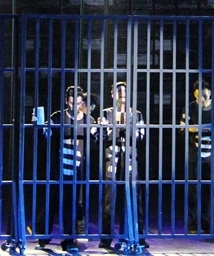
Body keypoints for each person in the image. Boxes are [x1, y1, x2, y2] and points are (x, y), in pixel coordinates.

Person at [35, 85, 97, 251]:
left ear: (82, 103)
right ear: (65, 101)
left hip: (77, 169)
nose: (74, 106)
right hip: (58, 169)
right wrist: (40, 125)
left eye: (77, 103)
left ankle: (69, 240)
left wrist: (102, 128)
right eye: (71, 103)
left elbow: (98, 137)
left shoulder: (88, 120)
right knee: (51, 203)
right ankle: (43, 237)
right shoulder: (57, 117)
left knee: (71, 205)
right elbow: (46, 134)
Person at [97, 81, 147, 251]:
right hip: (112, 160)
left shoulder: (137, 114)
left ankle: (138, 236)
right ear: (112, 95)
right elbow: (100, 136)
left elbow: (141, 136)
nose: (122, 94)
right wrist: (111, 128)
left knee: (134, 200)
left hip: (130, 161)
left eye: (124, 91)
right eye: (118, 91)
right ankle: (106, 238)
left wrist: (125, 129)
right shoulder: (106, 113)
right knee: (109, 201)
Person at [181, 79, 214, 234]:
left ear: (210, 93)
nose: (203, 100)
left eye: (205, 96)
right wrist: (191, 129)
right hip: (194, 154)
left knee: (209, 189)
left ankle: (207, 224)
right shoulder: (190, 108)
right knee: (193, 189)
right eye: (199, 96)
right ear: (195, 95)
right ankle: (193, 225)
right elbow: (181, 127)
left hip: (211, 154)